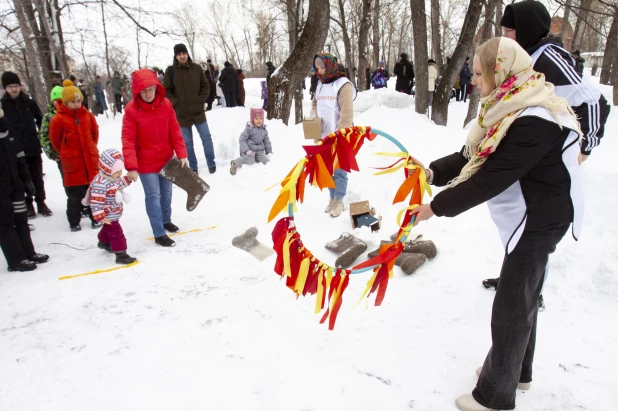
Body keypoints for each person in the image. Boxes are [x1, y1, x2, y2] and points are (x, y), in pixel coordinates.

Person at [412, 37, 583, 411]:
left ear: (498, 71)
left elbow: (490, 177)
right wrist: (434, 172)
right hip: (537, 215)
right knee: (521, 297)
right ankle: (517, 372)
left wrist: (434, 208)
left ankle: (494, 396)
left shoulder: (532, 118)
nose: (472, 79)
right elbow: (474, 155)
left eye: (477, 72)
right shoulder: (510, 106)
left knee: (511, 304)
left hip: (541, 219)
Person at [482, 0, 612, 291]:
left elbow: (592, 99)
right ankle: (517, 278)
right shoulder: (524, 56)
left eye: (509, 31)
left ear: (526, 30)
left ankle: (530, 288)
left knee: (535, 226)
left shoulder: (549, 57)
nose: (504, 37)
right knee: (517, 219)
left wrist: (586, 145)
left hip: (549, 155)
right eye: (502, 30)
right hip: (528, 152)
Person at [122, 68, 189, 248]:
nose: (148, 93)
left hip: (166, 159)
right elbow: (127, 139)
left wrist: (181, 153)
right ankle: (159, 233)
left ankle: (166, 220)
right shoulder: (131, 110)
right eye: (143, 90)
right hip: (145, 162)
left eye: (151, 89)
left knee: (166, 193)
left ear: (156, 87)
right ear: (137, 91)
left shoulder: (165, 104)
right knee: (153, 195)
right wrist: (131, 166)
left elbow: (175, 130)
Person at [0, 108, 49, 272]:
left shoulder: (8, 129)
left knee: (21, 219)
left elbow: (20, 157)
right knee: (5, 222)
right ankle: (16, 259)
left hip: (15, 185)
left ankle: (29, 253)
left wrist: (27, 179)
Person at [49, 80, 101, 232]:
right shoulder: (58, 119)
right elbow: (55, 140)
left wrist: (90, 149)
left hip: (89, 161)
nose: (77, 104)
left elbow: (94, 134)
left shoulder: (88, 116)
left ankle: (95, 218)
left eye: (79, 101)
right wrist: (67, 153)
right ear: (65, 102)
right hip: (73, 163)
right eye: (73, 102)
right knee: (74, 196)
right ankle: (74, 221)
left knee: (92, 193)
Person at [310, 53, 356, 218]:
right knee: (328, 168)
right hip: (324, 135)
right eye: (317, 68)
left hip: (339, 135)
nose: (320, 71)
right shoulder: (321, 84)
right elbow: (315, 102)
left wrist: (341, 133)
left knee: (339, 169)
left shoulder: (343, 84)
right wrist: (314, 121)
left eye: (322, 67)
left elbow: (347, 111)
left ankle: (340, 200)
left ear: (330, 65)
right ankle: (332, 198)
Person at [0, 72, 52, 218]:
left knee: (37, 176)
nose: (14, 89)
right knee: (23, 177)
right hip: (15, 149)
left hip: (32, 145)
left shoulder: (28, 102)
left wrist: (41, 137)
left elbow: (40, 120)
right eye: (10, 87)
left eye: (16, 86)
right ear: (5, 88)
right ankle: (28, 203)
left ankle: (41, 201)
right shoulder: (3, 105)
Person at [164, 44, 216, 174]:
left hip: (198, 111)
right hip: (181, 114)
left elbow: (206, 86)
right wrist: (176, 103)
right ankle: (193, 166)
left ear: (187, 54)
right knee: (187, 143)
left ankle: (211, 163)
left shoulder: (197, 68)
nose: (182, 56)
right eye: (179, 54)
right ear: (176, 56)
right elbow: (166, 91)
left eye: (184, 53)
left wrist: (200, 100)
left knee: (207, 138)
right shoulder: (170, 71)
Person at [84, 148, 136, 265]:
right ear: (107, 168)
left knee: (108, 228)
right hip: (107, 213)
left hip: (114, 211)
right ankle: (121, 254)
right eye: (117, 171)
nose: (119, 174)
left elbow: (119, 184)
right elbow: (96, 202)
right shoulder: (100, 184)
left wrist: (128, 179)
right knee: (117, 232)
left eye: (120, 171)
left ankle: (103, 241)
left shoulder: (112, 178)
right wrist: (100, 216)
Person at [230, 108, 272, 175]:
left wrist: (269, 152)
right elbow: (242, 139)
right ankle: (235, 163)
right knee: (250, 160)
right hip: (248, 150)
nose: (259, 121)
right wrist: (246, 150)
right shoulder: (249, 129)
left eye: (260, 118)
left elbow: (267, 141)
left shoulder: (264, 130)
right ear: (252, 120)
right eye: (256, 118)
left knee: (266, 161)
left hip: (258, 151)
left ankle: (256, 157)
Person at [39, 86, 64, 178]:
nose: (59, 103)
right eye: (56, 100)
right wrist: (52, 154)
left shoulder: (70, 114)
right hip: (60, 156)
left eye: (61, 100)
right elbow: (43, 137)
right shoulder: (48, 117)